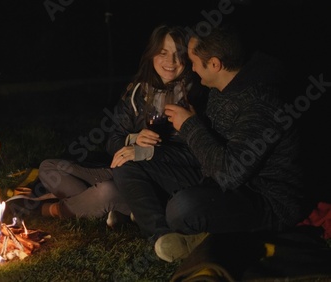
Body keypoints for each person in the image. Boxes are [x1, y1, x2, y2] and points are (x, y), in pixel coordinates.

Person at [115, 23, 309, 263]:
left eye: (194, 61)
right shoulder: (220, 88)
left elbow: (231, 172)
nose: (192, 69)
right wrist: (143, 151)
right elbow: (205, 155)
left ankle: (174, 222)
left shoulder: (261, 104)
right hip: (215, 179)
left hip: (263, 199)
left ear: (215, 64)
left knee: (182, 208)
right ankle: (164, 237)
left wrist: (190, 125)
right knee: (130, 162)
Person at [36, 24, 208, 223]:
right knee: (48, 168)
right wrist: (133, 139)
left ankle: (51, 210)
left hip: (154, 181)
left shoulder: (196, 94)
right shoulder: (137, 92)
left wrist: (148, 152)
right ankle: (115, 208)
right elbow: (113, 141)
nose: (171, 61)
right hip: (121, 170)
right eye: (163, 53)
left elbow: (196, 154)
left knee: (106, 191)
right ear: (152, 54)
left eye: (178, 54)